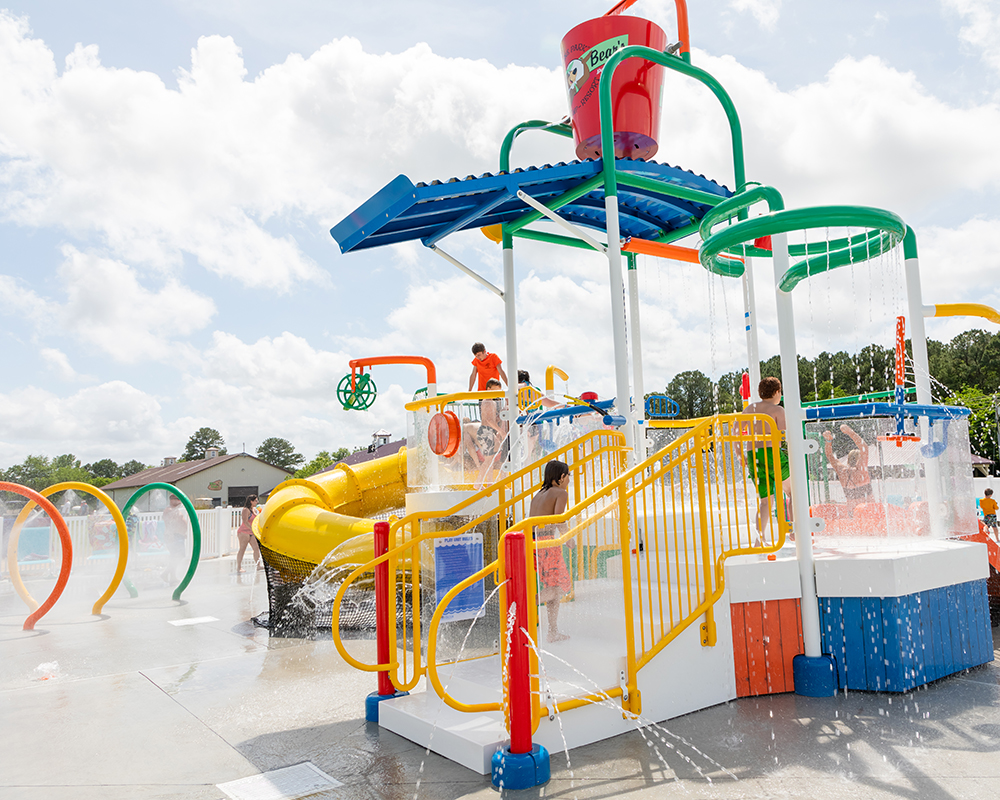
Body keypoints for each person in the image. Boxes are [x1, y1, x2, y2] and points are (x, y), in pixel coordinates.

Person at [528, 460, 573, 642]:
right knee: (559, 587)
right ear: (561, 477)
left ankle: (552, 632)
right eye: (568, 475)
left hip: (533, 542)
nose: (569, 479)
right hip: (547, 543)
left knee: (552, 588)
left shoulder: (539, 494)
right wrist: (568, 538)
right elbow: (559, 519)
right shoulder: (560, 492)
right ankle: (528, 602)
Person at [741, 377, 791, 537]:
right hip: (772, 454)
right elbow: (784, 435)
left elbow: (736, 431)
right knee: (792, 493)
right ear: (777, 392)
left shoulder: (749, 409)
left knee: (765, 502)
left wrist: (739, 454)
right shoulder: (778, 410)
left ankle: (759, 539)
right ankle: (794, 531)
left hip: (753, 455)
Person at [823, 423, 871, 506]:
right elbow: (864, 448)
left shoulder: (842, 472)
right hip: (868, 512)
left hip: (851, 512)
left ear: (848, 459)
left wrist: (828, 441)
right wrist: (850, 432)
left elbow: (829, 455)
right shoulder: (861, 470)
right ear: (859, 460)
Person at [161, 494, 188, 583]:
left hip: (178, 535)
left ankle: (172, 577)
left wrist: (183, 533)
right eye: (178, 499)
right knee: (180, 555)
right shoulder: (169, 510)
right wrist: (171, 535)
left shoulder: (174, 510)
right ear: (172, 500)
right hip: (173, 536)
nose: (180, 501)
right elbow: (168, 524)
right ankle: (165, 573)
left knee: (174, 556)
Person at [236, 494, 262, 572]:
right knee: (242, 549)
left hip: (252, 532)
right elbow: (245, 521)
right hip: (244, 532)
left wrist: (261, 513)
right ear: (251, 501)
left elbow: (256, 520)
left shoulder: (254, 509)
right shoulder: (245, 510)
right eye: (256, 501)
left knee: (256, 548)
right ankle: (239, 567)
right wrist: (251, 529)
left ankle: (258, 565)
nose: (257, 502)